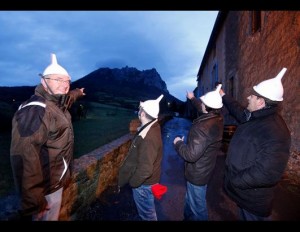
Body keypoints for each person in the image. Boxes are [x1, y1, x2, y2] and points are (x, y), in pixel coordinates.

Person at [10, 53, 85, 221]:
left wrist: (77, 93)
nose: (64, 85)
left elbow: (67, 98)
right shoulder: (35, 110)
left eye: (67, 81)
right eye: (58, 80)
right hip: (45, 190)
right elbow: (22, 157)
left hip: (56, 183)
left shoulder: (56, 103)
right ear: (44, 81)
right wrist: (34, 200)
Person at [220, 67, 291, 221]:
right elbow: (237, 110)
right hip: (242, 195)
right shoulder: (255, 116)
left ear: (260, 102)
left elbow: (265, 174)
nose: (248, 98)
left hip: (253, 201)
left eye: (252, 95)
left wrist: (234, 181)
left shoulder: (275, 132)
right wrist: (224, 96)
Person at [173, 84, 224, 220]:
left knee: (199, 210)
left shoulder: (202, 128)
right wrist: (192, 98)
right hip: (203, 170)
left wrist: (178, 143)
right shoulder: (216, 118)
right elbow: (202, 108)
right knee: (191, 201)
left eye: (202, 103)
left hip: (197, 175)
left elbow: (190, 155)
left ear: (206, 107)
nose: (200, 104)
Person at [118, 94, 164, 221]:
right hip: (149, 183)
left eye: (140, 110)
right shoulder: (153, 127)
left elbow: (145, 170)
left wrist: (133, 183)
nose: (139, 112)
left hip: (144, 186)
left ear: (143, 114)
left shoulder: (148, 138)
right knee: (147, 212)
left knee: (148, 215)